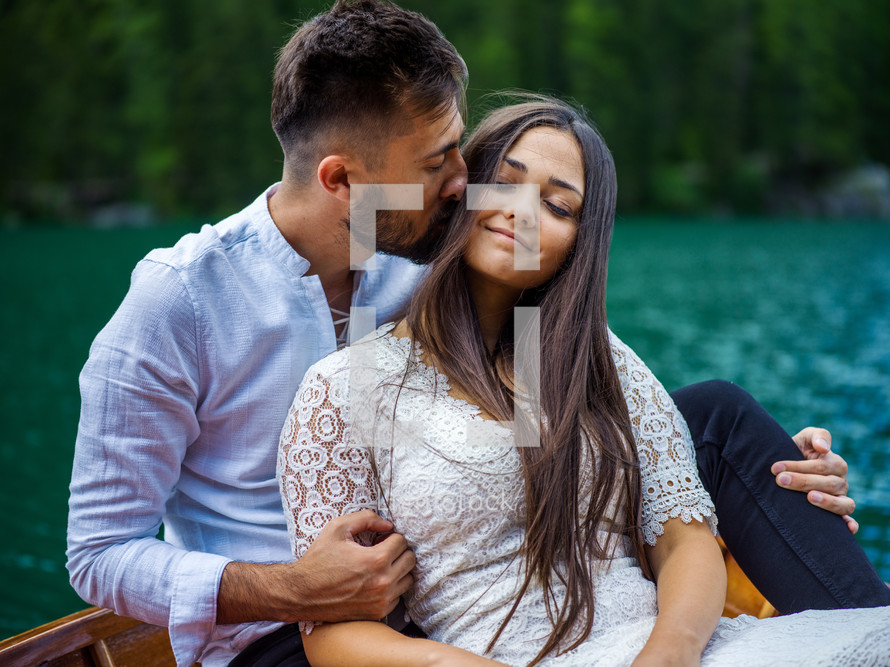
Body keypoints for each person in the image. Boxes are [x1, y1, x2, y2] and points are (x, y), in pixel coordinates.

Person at [65, 2, 887, 666]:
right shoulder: (180, 301)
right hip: (283, 630)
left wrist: (784, 469)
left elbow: (561, 373)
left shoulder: (423, 245)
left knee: (714, 416)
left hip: (453, 569)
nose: (467, 183)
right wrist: (291, 587)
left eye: (461, 150)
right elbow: (97, 552)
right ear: (343, 181)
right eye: (440, 163)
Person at [278, 96, 890, 666]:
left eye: (558, 205)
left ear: (579, 242)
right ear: (462, 188)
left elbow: (684, 541)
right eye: (508, 182)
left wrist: (665, 656)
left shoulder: (597, 355)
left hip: (677, 648)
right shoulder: (342, 387)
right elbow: (331, 634)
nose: (520, 212)